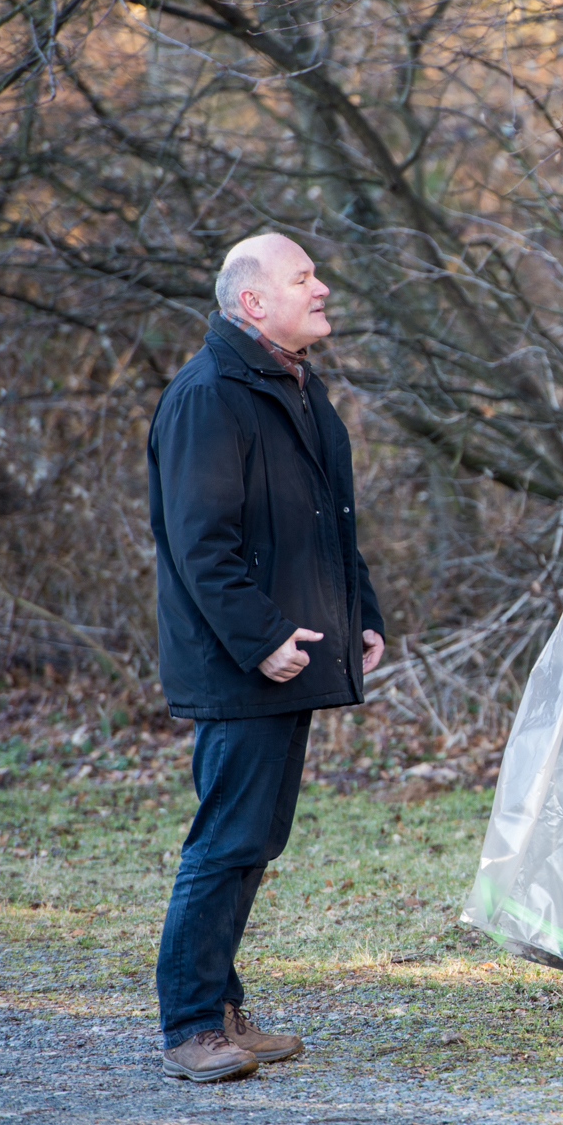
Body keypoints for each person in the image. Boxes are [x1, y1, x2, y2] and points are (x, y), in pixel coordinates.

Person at [147, 234, 385, 1082]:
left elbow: (327, 524)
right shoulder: (209, 396)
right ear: (253, 301)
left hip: (289, 655)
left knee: (253, 837)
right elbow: (201, 546)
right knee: (226, 839)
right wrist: (261, 638)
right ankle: (189, 1025)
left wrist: (360, 614)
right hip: (241, 663)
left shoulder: (291, 385)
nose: (322, 288)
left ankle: (220, 1010)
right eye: (302, 277)